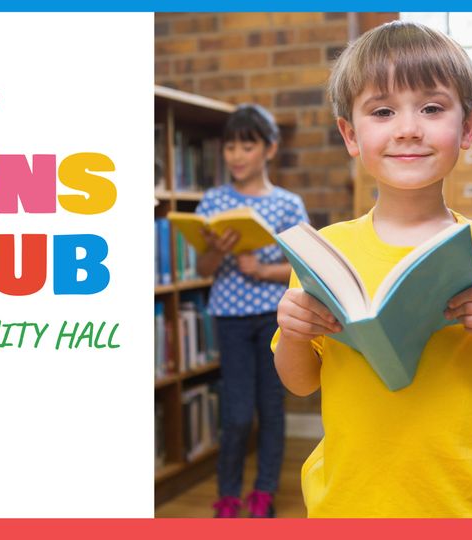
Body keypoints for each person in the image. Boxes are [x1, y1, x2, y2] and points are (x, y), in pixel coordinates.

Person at [271, 21, 472, 517]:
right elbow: (300, 383)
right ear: (351, 134)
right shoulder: (327, 252)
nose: (408, 128)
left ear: (467, 128)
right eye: (382, 111)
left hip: (465, 505)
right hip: (346, 502)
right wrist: (295, 332)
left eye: (431, 108)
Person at [196, 103, 309, 518]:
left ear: (269, 149)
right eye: (229, 147)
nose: (237, 155)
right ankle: (227, 496)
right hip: (229, 319)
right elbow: (204, 269)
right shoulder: (212, 201)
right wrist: (213, 250)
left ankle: (263, 493)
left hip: (274, 320)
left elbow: (303, 269)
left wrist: (263, 270)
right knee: (238, 414)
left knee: (271, 410)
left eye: (247, 145)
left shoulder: (287, 205)